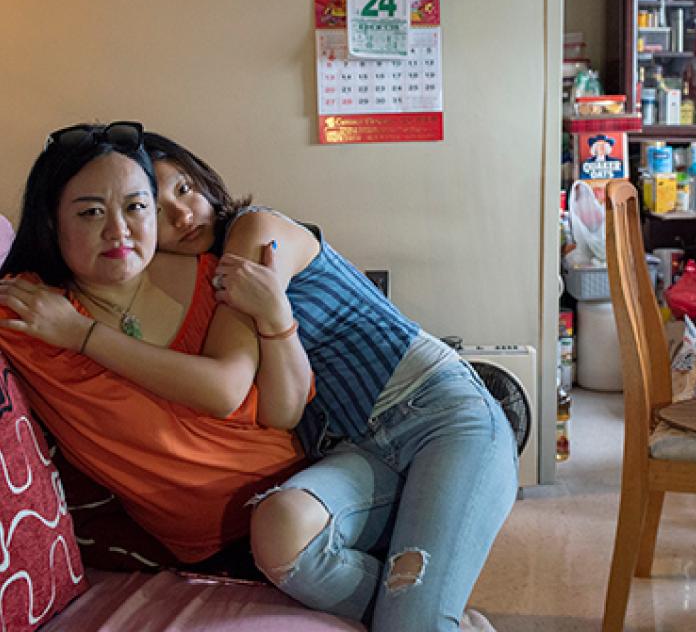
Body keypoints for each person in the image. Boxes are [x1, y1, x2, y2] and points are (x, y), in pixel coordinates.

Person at [142, 131, 519, 632]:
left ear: (206, 181)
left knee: (410, 622)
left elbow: (224, 383)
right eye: (155, 207)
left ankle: (421, 615)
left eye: (185, 190)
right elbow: (283, 412)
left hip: (440, 414)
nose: (183, 215)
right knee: (278, 528)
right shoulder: (201, 286)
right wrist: (276, 319)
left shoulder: (253, 230)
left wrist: (85, 336)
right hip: (353, 449)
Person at [0, 122, 311, 568]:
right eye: (91, 213)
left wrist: (83, 336)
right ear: (52, 223)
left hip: (306, 499)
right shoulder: (30, 311)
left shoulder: (217, 274)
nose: (118, 231)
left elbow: (264, 404)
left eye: (136, 207)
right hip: (218, 546)